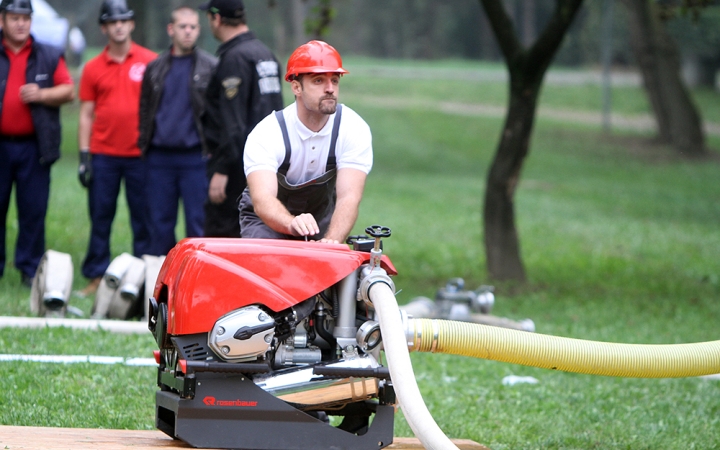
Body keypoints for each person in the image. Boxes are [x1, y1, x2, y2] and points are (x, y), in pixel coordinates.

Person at [240, 40, 372, 244]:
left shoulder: (353, 128)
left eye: (335, 80)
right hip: (265, 223)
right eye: (318, 81)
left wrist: (331, 242)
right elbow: (263, 201)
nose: (330, 89)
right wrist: (292, 224)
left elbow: (349, 198)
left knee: (328, 271)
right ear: (296, 87)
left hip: (321, 222)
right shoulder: (268, 133)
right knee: (269, 269)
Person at [76, 0, 156, 296]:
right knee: (100, 216)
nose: (119, 26)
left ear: (132, 24)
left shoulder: (150, 61)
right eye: (113, 21)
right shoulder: (92, 67)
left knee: (143, 219)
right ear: (104, 28)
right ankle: (96, 275)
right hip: (103, 155)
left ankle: (142, 278)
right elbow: (85, 113)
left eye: (124, 20)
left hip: (141, 156)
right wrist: (84, 156)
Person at [0, 0, 74, 287]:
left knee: (33, 210)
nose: (21, 23)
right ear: (2, 20)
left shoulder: (49, 53)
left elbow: (68, 90)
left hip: (34, 147)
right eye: (15, 18)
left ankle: (30, 269)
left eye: (25, 18)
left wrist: (42, 95)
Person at [199, 0, 283, 237]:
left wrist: (222, 170)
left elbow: (233, 125)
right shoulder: (265, 54)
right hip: (267, 166)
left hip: (237, 169)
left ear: (216, 19)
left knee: (223, 237)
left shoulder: (234, 59)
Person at [138, 7, 217, 256]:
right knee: (160, 224)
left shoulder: (211, 67)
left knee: (198, 224)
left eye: (193, 27)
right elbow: (144, 110)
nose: (188, 32)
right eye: (183, 26)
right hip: (159, 157)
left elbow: (216, 115)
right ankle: (161, 282)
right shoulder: (155, 68)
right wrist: (144, 146)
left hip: (195, 157)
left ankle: (197, 282)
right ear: (171, 29)